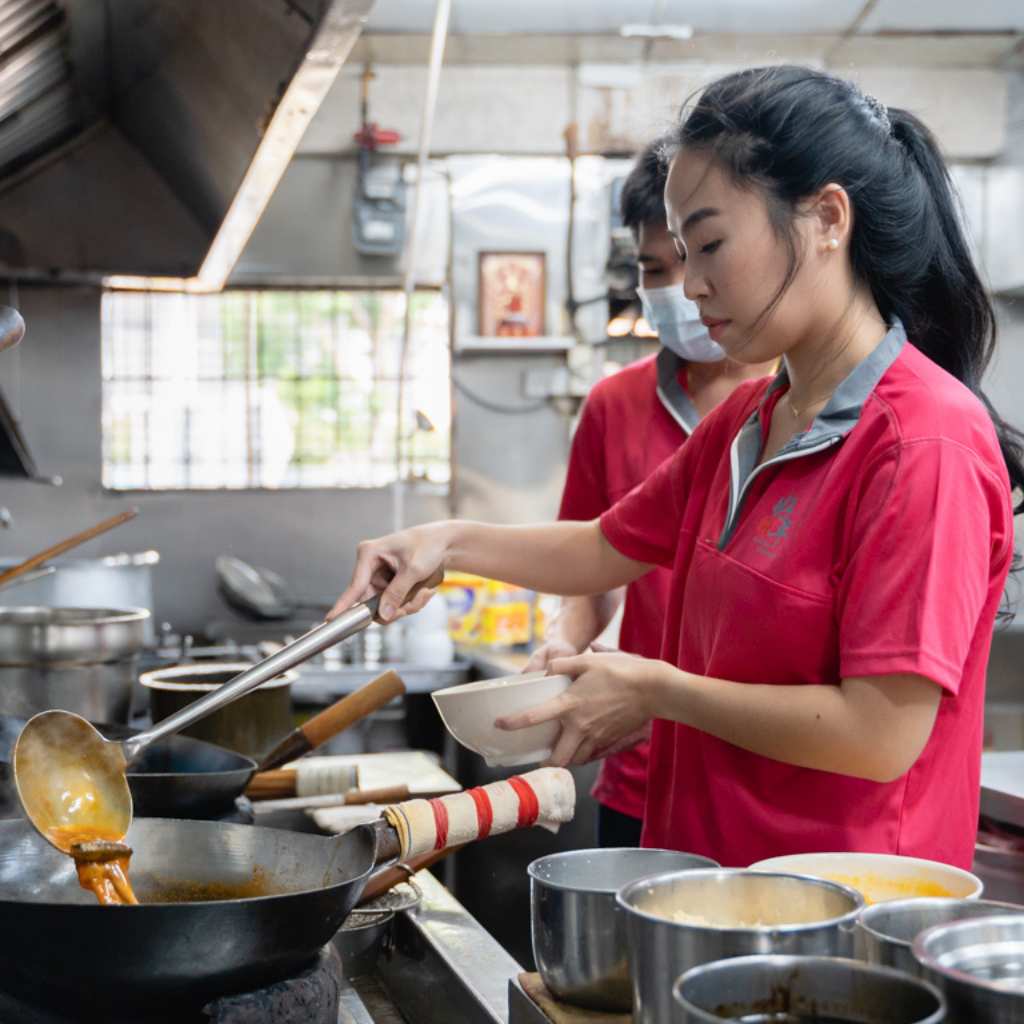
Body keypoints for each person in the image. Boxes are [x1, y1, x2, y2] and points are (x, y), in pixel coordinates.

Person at [332, 66, 1023, 869]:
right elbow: (602, 546)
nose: (691, 285)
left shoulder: (922, 441)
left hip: (847, 919)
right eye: (680, 254)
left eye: (713, 244)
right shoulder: (750, 420)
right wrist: (442, 544)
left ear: (828, 217)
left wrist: (658, 692)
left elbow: (879, 734)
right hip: (710, 890)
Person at [525, 139, 777, 849]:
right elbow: (589, 564)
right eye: (654, 270)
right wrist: (561, 644)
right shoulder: (614, 405)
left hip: (761, 771)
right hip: (641, 767)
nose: (682, 288)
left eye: (700, 256)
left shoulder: (806, 407)